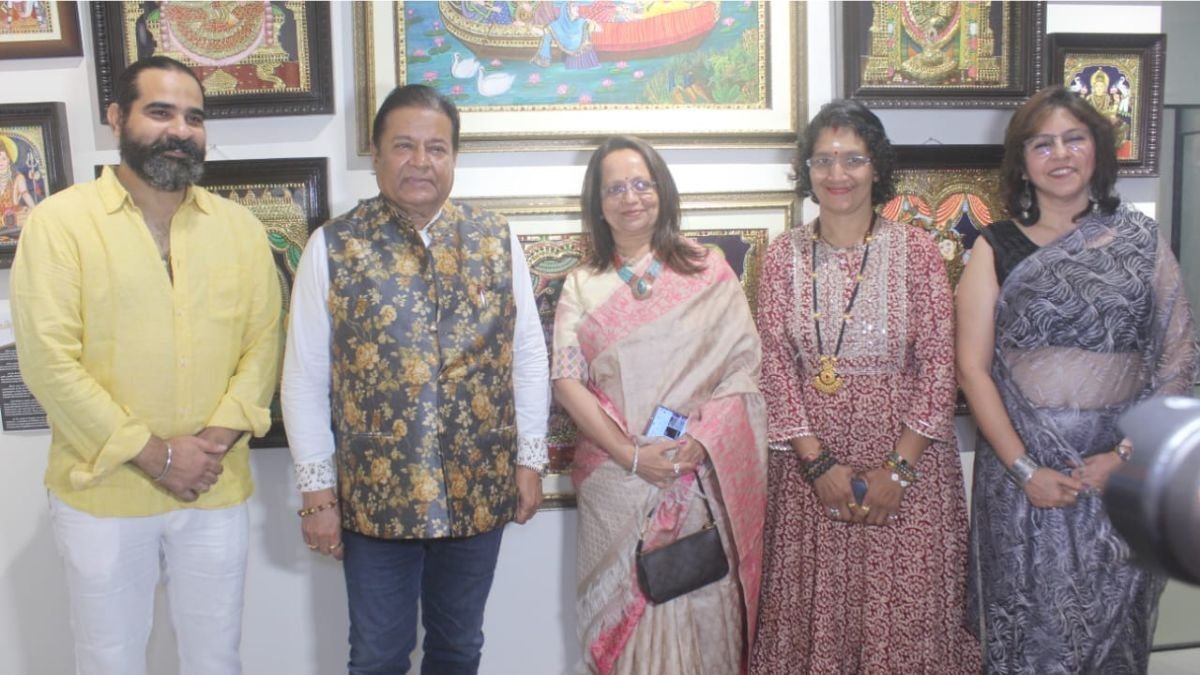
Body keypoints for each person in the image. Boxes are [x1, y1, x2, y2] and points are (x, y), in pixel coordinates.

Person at [10, 55, 281, 675]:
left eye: (194, 118)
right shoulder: (60, 224)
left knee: (216, 657)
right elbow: (49, 362)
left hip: (212, 486)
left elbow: (263, 345)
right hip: (102, 491)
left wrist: (206, 449)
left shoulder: (239, 229)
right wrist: (157, 455)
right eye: (160, 112)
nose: (180, 130)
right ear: (116, 117)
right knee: (110, 658)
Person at [280, 84, 549, 674]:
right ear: (376, 154)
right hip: (376, 494)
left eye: (436, 148)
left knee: (459, 648)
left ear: (454, 157)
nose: (420, 161)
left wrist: (530, 459)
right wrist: (316, 495)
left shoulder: (496, 239)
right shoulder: (334, 246)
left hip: (477, 485)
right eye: (404, 146)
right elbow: (303, 376)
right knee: (378, 655)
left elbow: (527, 354)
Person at [958, 85, 1198, 674]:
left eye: (1074, 139)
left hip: (1119, 474)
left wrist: (1125, 456)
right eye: (1042, 144)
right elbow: (972, 367)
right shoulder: (995, 247)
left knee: (1114, 637)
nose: (1060, 155)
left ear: (1098, 150)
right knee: (1026, 633)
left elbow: (1179, 355)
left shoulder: (1141, 240)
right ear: (1022, 163)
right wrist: (1025, 469)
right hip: (1022, 478)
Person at [750, 100, 979, 674]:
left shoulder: (918, 252)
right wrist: (818, 465)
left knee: (903, 624)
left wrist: (896, 472)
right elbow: (773, 365)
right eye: (823, 160)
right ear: (807, 170)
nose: (838, 174)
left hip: (908, 480)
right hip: (810, 480)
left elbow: (939, 366)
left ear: (877, 167)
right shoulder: (782, 256)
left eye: (853, 159)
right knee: (816, 624)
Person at [552, 135, 767, 674]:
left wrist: (701, 441)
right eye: (615, 188)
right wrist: (630, 455)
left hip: (697, 480)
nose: (630, 198)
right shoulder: (583, 285)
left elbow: (743, 368)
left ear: (662, 191)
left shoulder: (707, 270)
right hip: (616, 484)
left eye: (641, 184)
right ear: (597, 203)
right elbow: (567, 381)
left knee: (702, 612)